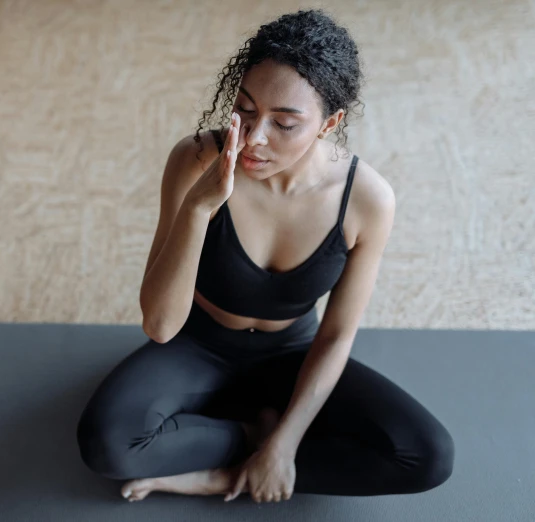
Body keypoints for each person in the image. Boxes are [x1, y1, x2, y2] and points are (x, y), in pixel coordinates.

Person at [76, 9, 454, 504]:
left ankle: (226, 471)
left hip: (291, 355)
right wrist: (198, 206)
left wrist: (287, 442)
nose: (254, 139)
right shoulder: (195, 160)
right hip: (198, 345)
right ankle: (246, 441)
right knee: (107, 444)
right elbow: (161, 326)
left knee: (427, 455)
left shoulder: (367, 199)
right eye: (246, 111)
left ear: (329, 123)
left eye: (285, 123)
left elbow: (338, 334)